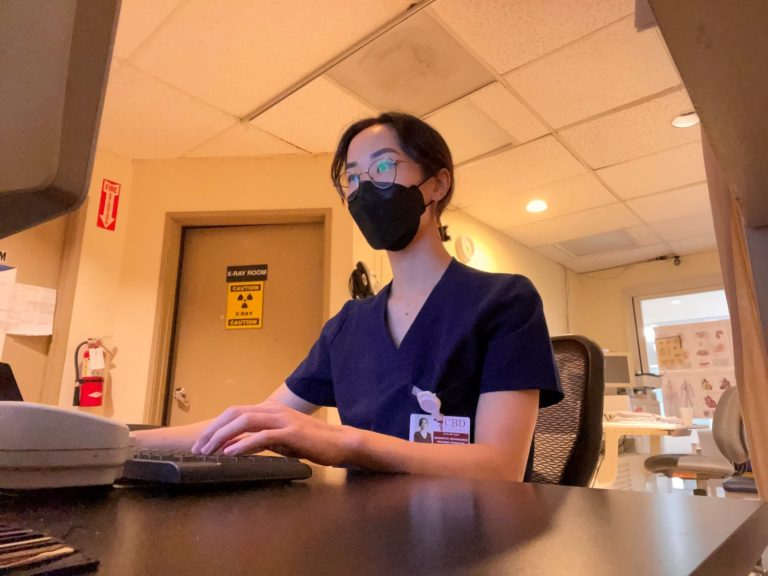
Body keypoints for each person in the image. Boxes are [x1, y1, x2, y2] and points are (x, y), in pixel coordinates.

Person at [132, 112, 563, 482]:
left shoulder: (505, 301)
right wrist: (119, 440)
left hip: (468, 541)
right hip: (365, 534)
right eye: (353, 177)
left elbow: (500, 467)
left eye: (382, 168)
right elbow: (253, 420)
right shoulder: (349, 325)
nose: (363, 188)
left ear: (437, 185)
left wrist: (345, 442)